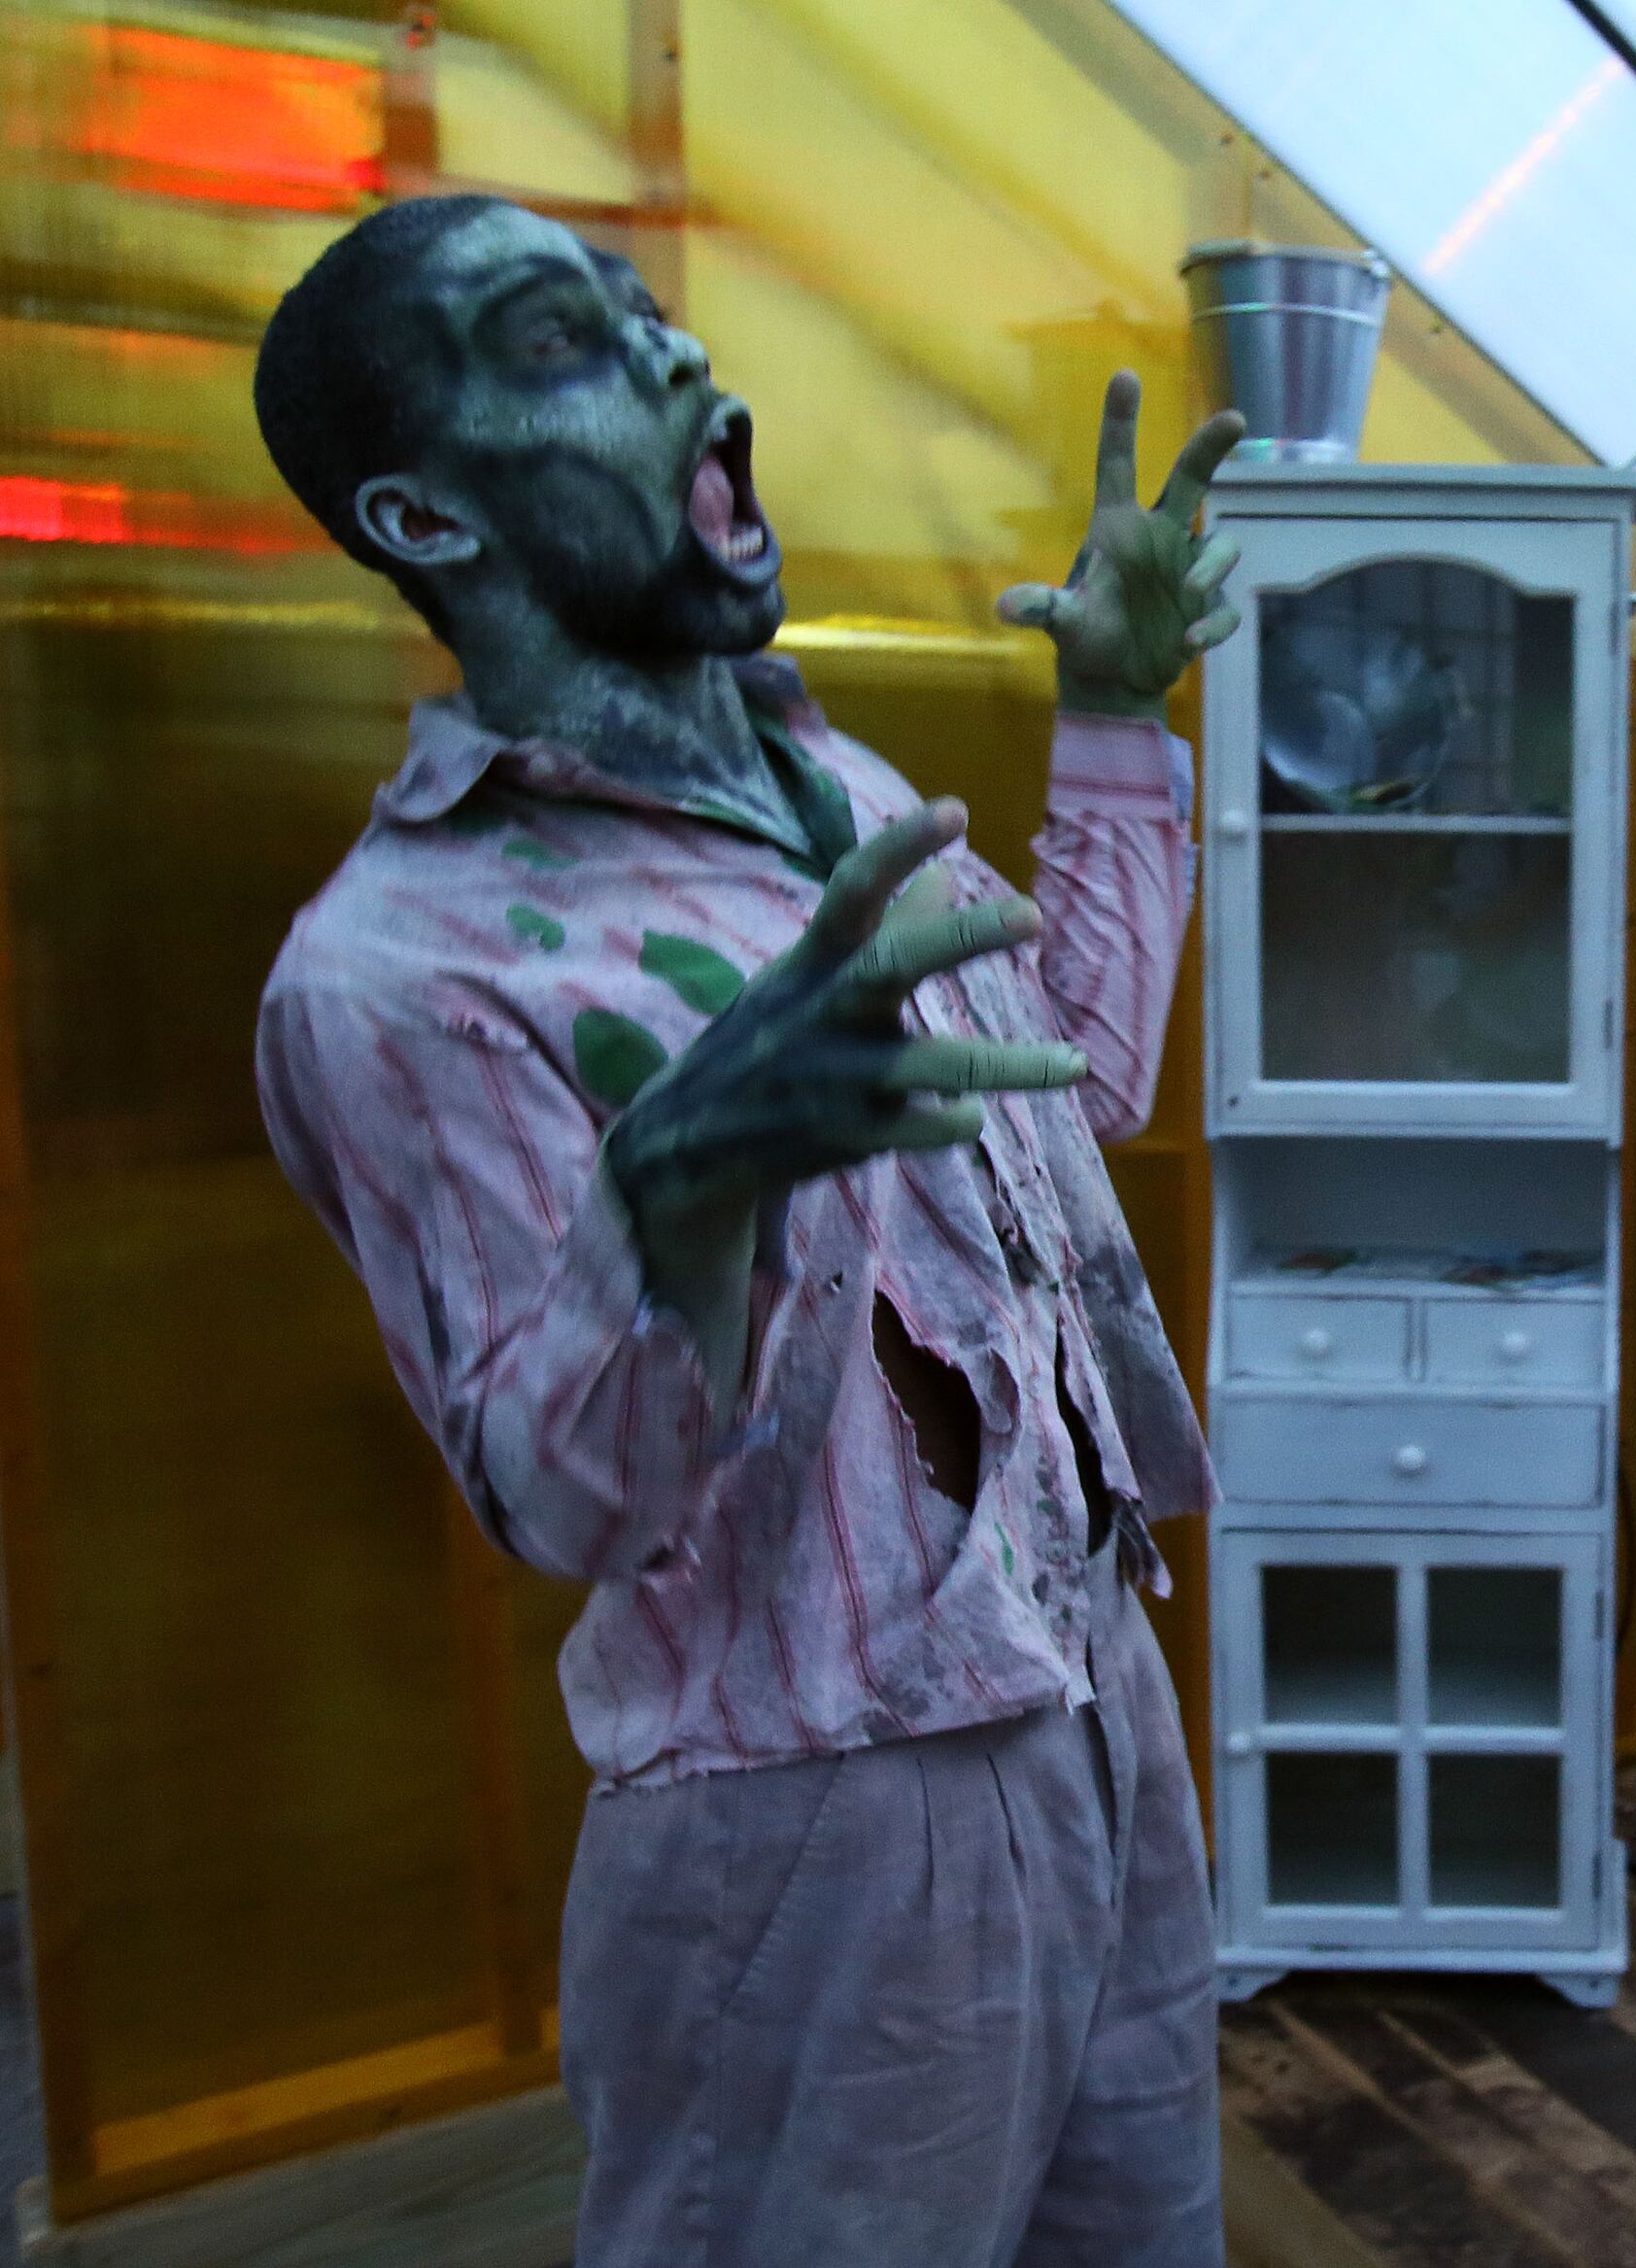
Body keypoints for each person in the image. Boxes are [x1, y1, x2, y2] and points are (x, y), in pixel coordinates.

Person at [249, 194, 1244, 2265]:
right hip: (819, 1812)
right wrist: (684, 1207)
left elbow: (1070, 1086)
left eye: (652, 313)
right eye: (562, 341)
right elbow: (567, 1497)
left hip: (1091, 1696)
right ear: (426, 519)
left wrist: (1121, 722)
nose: (682, 358)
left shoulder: (832, 780)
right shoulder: (392, 974)